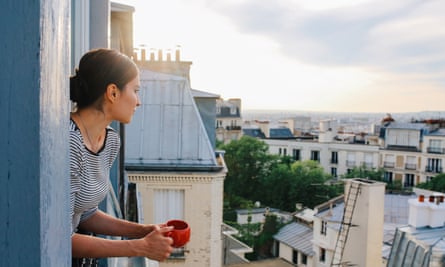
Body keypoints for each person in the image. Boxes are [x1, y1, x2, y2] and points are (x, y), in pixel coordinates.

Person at [69, 48, 173, 265]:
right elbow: (59, 237)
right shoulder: (69, 142)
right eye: (135, 90)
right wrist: (139, 247)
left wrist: (142, 231)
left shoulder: (110, 141)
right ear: (113, 92)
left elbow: (87, 214)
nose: (138, 102)